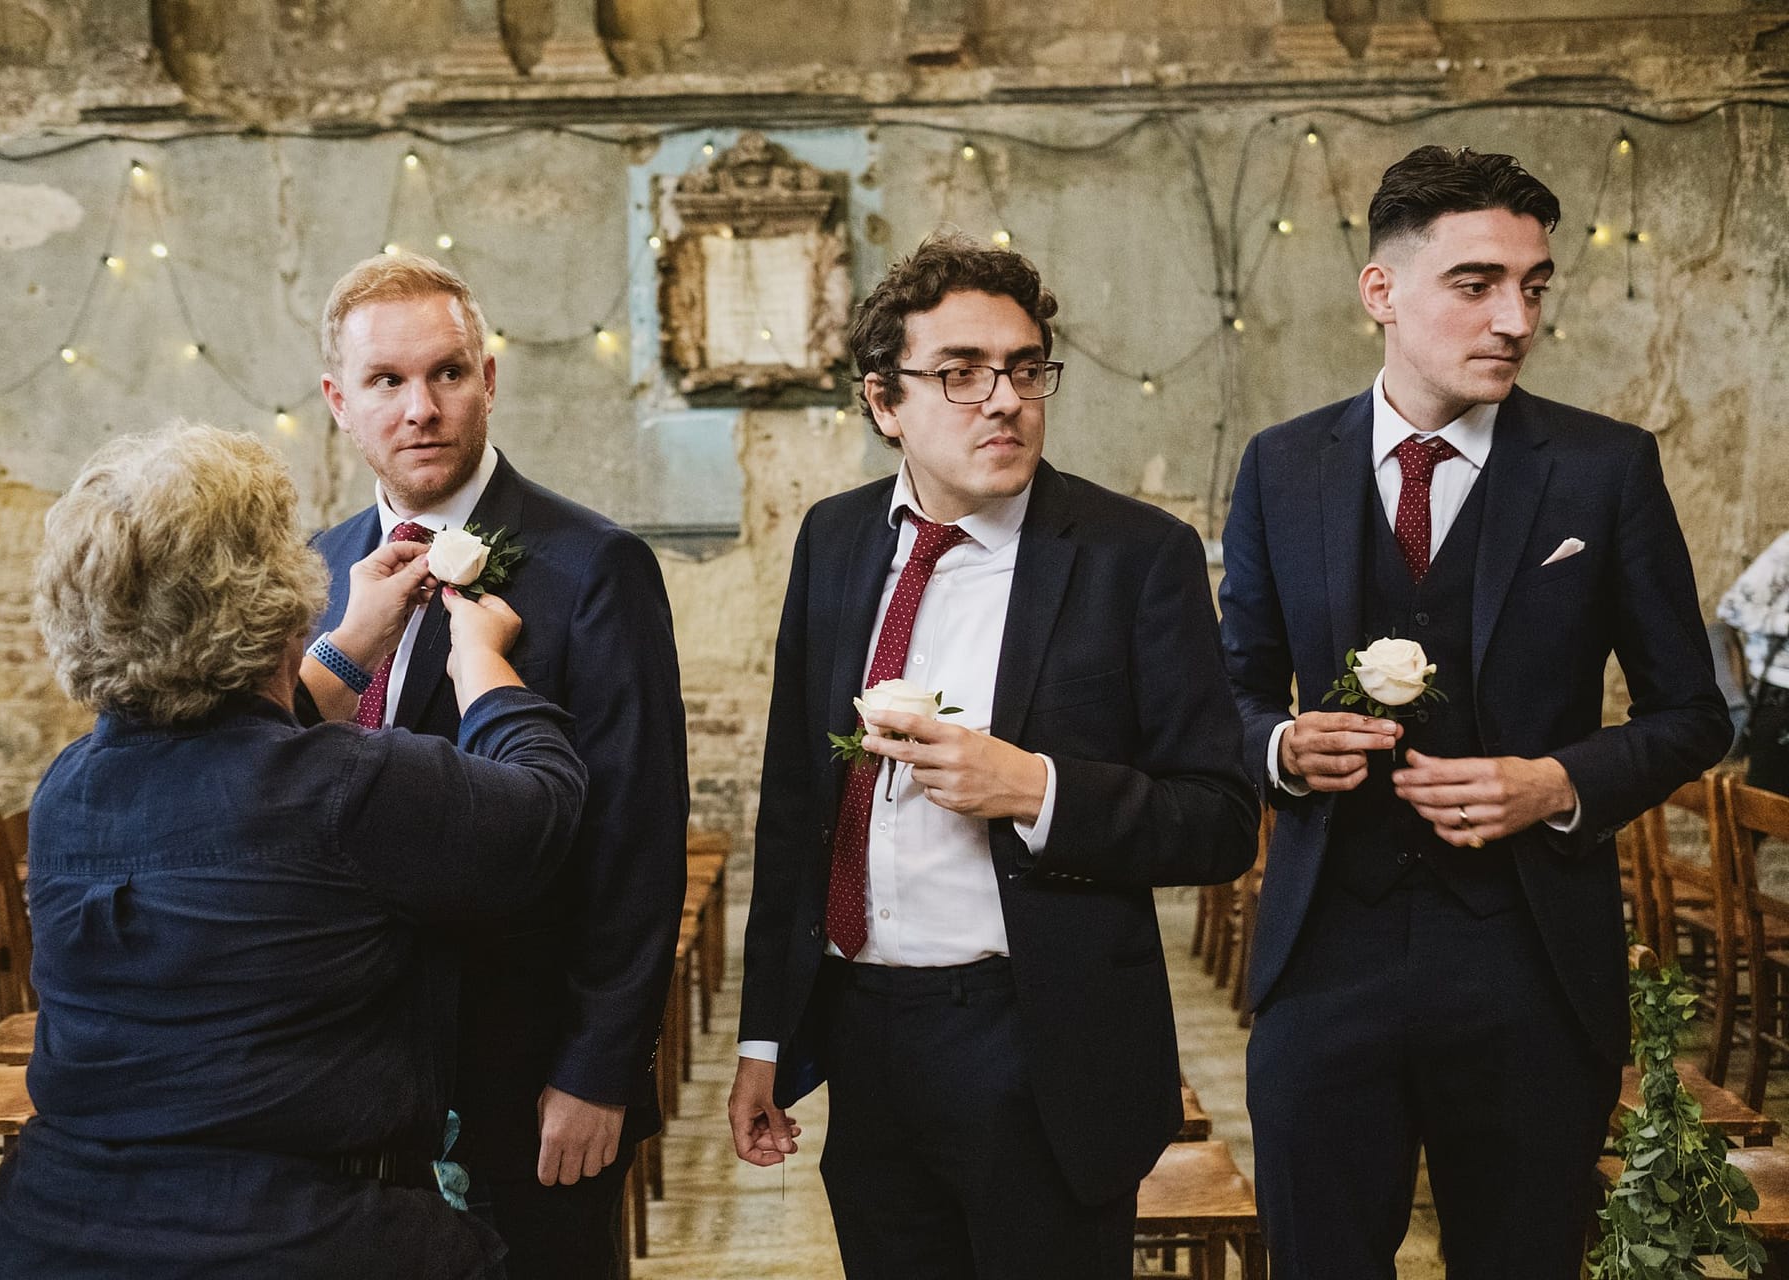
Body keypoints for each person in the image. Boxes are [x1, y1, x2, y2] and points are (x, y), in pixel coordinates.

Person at [1218, 145, 1733, 1277]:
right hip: (1324, 962)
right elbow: (1233, 692)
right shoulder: (1279, 465)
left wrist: (1559, 783)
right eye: (1476, 283)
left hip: (1530, 962)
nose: (1515, 318)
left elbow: (1696, 713)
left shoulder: (1604, 470)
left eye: (1534, 285)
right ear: (1381, 292)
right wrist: (1284, 746)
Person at [729, 232, 1258, 1279]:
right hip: (864, 1033)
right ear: (886, 402)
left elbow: (1220, 816)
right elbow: (796, 800)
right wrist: (764, 1039)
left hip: (1036, 1039)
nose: (1004, 398)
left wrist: (1038, 787)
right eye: (960, 373)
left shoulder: (1133, 556)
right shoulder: (835, 540)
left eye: (1024, 368)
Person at [0, 425, 585, 1278]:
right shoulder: (343, 786)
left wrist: (345, 649)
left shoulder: (70, 789)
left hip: (52, 1232)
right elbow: (542, 808)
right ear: (274, 596)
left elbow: (238, 769)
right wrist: (481, 666)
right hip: (288, 1240)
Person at [302, 251, 688, 1277]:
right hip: (344, 1067)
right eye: (387, 382)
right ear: (340, 401)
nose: (420, 407)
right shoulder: (309, 569)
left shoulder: (593, 564)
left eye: (448, 373)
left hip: (526, 1062)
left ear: (490, 377)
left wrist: (600, 1067)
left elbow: (638, 838)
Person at [1719, 529, 1789, 796]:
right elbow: (1732, 608)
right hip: (1780, 699)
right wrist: (1784, 623)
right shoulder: (1787, 550)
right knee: (1763, 813)